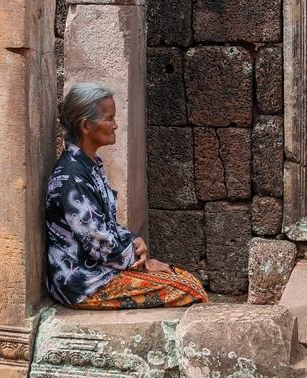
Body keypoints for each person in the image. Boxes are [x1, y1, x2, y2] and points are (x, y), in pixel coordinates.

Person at [45, 83, 208, 309]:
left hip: (99, 269)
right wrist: (137, 259)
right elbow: (96, 241)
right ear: (86, 125)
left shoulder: (90, 164)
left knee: (183, 279)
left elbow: (103, 223)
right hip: (83, 283)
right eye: (109, 118)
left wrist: (131, 239)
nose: (115, 125)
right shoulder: (72, 176)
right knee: (190, 289)